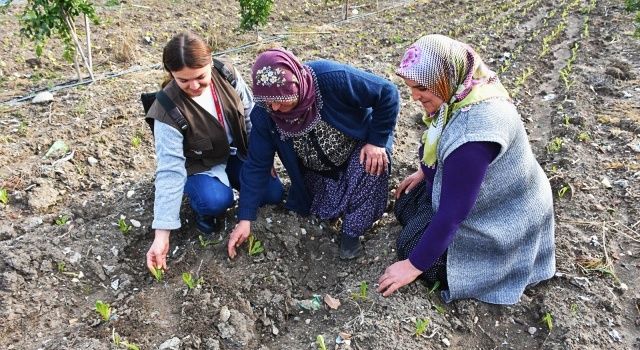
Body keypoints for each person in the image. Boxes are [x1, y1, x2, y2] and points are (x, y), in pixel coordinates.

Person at [377, 34, 555, 304]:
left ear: (443, 78)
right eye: (410, 87)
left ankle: (492, 268)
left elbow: (452, 215)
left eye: (421, 87)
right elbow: (443, 151)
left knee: (410, 246)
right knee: (405, 201)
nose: (414, 96)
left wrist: (412, 266)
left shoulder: (473, 134)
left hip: (503, 220)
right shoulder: (464, 92)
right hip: (484, 196)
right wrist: (425, 172)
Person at [227, 47, 400, 260]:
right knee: (314, 207)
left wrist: (377, 141)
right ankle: (338, 211)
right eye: (269, 102)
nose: (275, 107)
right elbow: (256, 166)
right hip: (317, 169)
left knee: (372, 167)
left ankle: (351, 235)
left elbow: (387, 93)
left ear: (297, 85)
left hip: (358, 149)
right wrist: (245, 217)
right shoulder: (265, 115)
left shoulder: (329, 79)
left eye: (281, 100)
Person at [145, 32, 284, 273]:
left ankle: (234, 182)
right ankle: (205, 215)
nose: (194, 86)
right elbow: (170, 170)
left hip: (236, 153)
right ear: (171, 75)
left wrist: (261, 158)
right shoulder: (166, 110)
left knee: (273, 193)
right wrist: (162, 234)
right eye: (183, 81)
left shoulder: (226, 74)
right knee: (216, 201)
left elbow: (252, 117)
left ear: (210, 63)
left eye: (200, 77)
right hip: (202, 164)